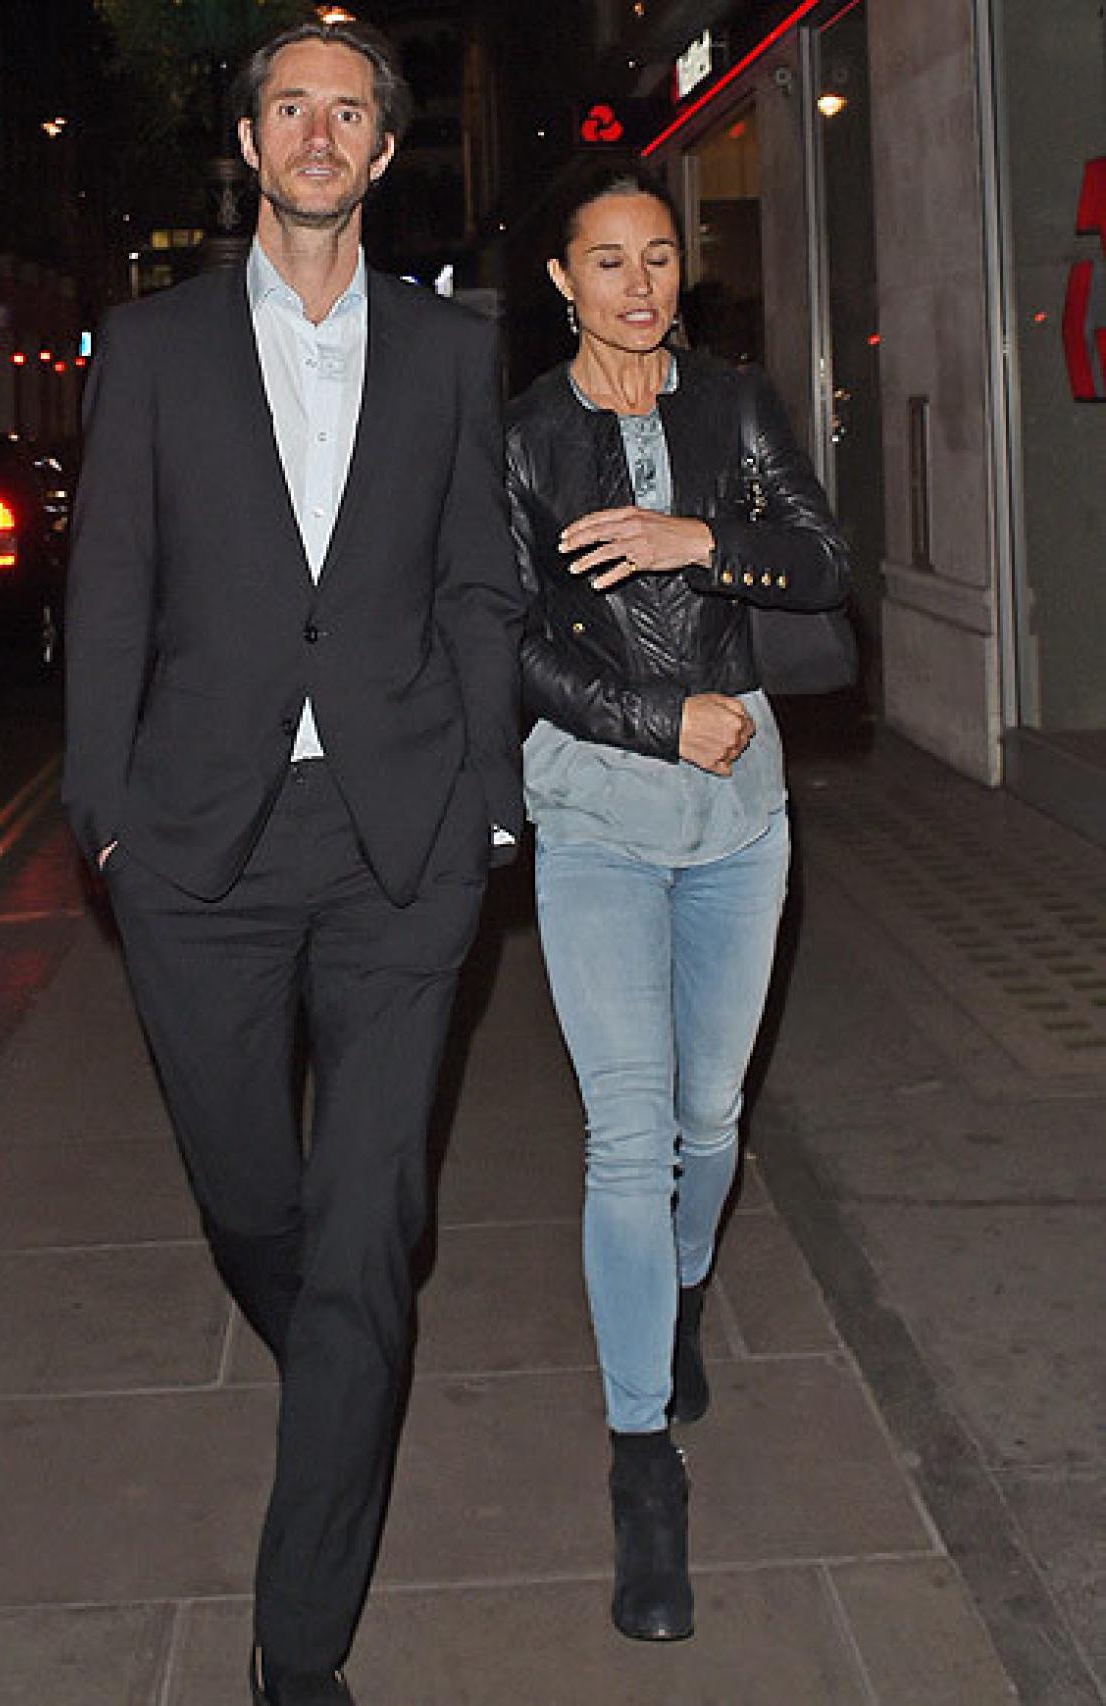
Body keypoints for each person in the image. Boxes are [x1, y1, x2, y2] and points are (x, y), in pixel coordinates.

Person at [62, 21, 523, 1705]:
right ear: (250, 147)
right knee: (265, 1206)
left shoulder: (448, 350)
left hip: (403, 841)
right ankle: (344, 1351)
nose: (319, 133)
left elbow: (482, 578)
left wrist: (488, 798)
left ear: (385, 155)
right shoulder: (152, 344)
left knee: (366, 1218)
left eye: (350, 111)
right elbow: (108, 587)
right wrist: (99, 811)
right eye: (290, 108)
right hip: (198, 843)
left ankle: (300, 1646)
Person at [505, 168, 848, 1645]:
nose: (639, 283)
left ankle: (682, 1286)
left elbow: (825, 561)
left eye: (658, 257)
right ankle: (643, 1454)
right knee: (627, 1130)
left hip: (740, 822)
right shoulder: (523, 437)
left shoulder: (735, 405)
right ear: (563, 282)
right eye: (608, 261)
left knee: (712, 1120)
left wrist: (698, 540)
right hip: (593, 812)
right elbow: (510, 638)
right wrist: (664, 717)